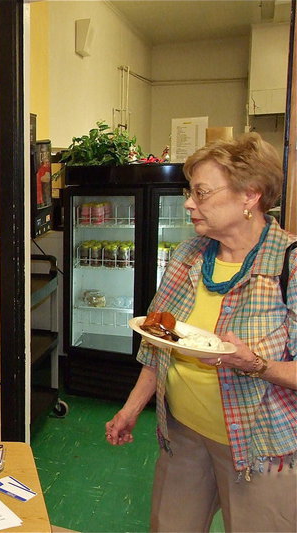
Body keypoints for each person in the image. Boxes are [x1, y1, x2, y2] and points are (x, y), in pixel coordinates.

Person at [106, 133, 296, 532]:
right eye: (189, 192)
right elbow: (159, 343)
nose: (189, 203)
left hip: (258, 447)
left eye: (202, 193)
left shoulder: (289, 265)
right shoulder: (187, 255)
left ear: (250, 196)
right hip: (183, 435)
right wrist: (131, 408)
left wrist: (257, 365)